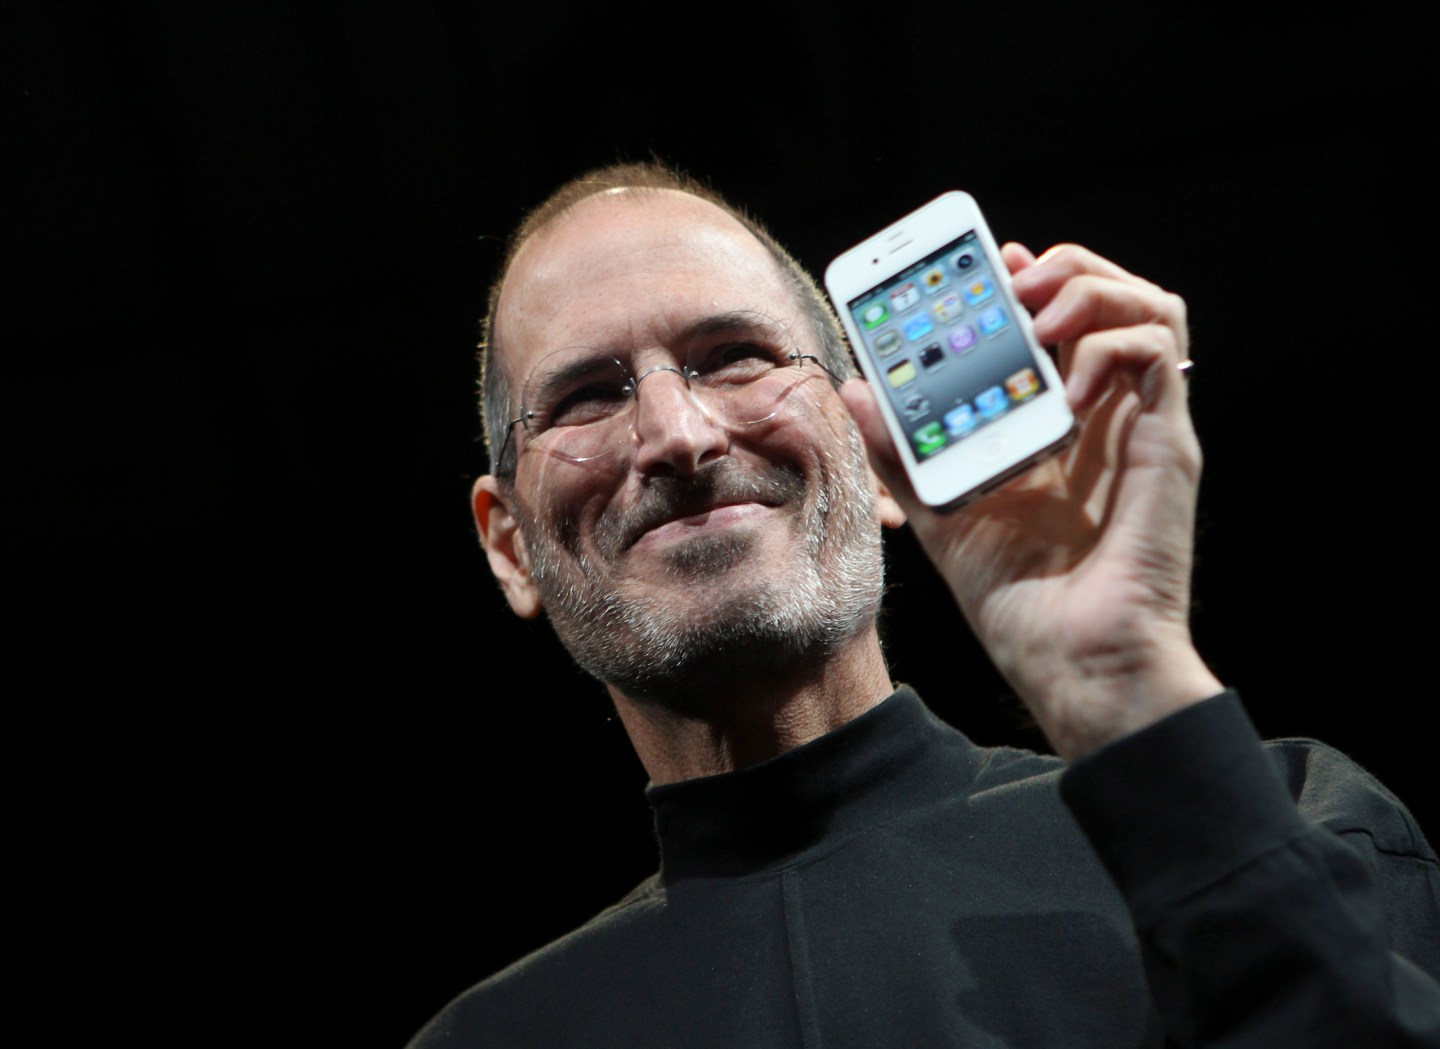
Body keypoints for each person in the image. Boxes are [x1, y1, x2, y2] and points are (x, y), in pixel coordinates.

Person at [410, 163, 1440, 1046]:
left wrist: (1126, 690)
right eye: (589, 394)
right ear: (510, 545)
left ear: (872, 448)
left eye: (734, 355)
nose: (679, 433)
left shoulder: (1283, 823)